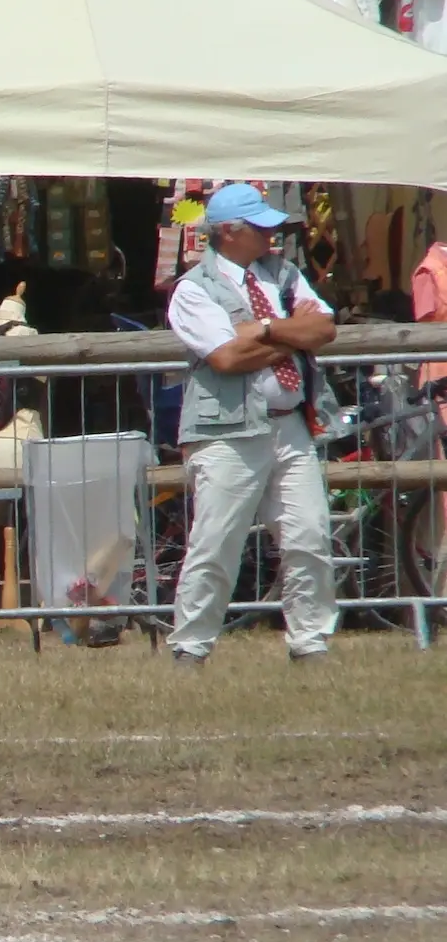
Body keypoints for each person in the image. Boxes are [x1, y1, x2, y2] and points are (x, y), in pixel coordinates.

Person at [165, 183, 339, 666]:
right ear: (229, 232)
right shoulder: (193, 290)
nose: (272, 235)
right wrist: (290, 334)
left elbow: (324, 328)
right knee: (216, 542)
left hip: (291, 426)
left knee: (309, 536)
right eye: (261, 227)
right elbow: (225, 357)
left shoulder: (283, 274)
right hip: (226, 435)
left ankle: (311, 643)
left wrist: (261, 329)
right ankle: (191, 647)